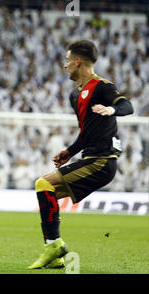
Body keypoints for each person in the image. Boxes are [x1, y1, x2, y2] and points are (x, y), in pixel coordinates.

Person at [28, 40, 133, 269]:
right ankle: (54, 253)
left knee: (43, 183)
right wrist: (69, 151)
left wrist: (112, 109)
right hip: (90, 158)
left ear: (77, 61)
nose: (64, 65)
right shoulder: (75, 95)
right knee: (47, 193)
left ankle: (54, 245)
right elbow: (86, 132)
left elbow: (127, 106)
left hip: (102, 161)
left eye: (67, 60)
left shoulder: (102, 86)